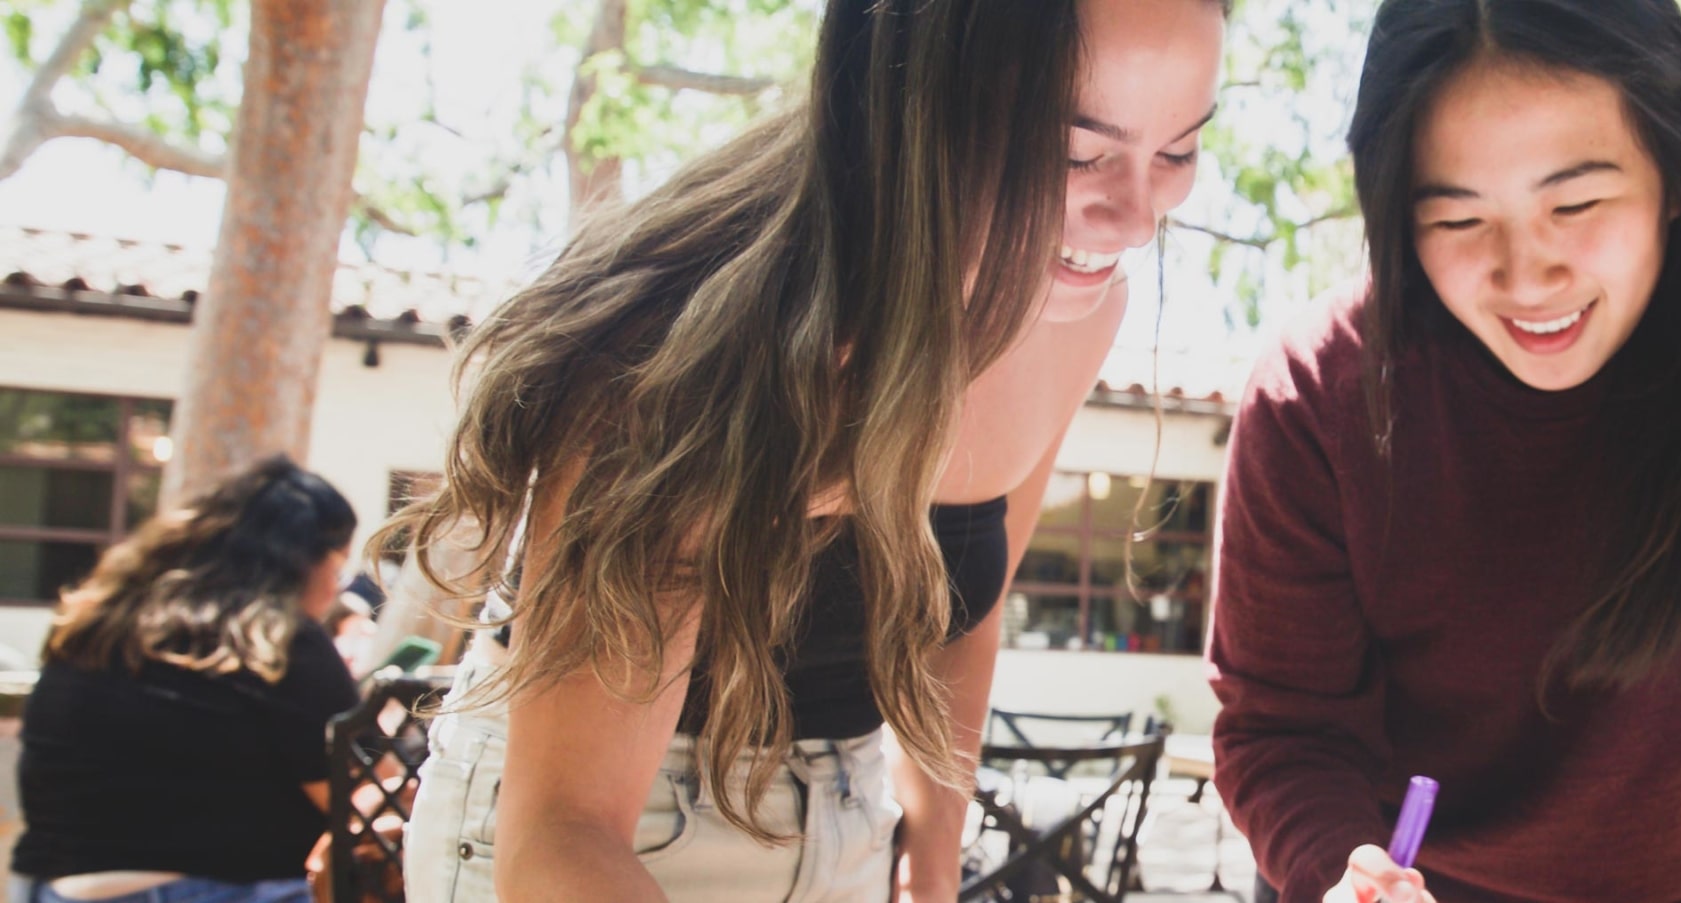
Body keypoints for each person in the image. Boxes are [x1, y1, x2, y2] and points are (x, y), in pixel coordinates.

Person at [382, 1, 1225, 900]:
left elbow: (963, 621)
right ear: (917, 105)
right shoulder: (680, 357)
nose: (1137, 217)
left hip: (847, 817)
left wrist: (934, 864)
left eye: (1177, 150)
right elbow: (562, 832)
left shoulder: (1080, 305)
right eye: (1075, 154)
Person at [1206, 1, 1681, 900]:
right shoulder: (1317, 390)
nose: (1527, 275)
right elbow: (1283, 728)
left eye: (1576, 202)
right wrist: (1338, 871)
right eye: (1457, 221)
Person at [12, 456, 363, 903]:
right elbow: (353, 797)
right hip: (210, 889)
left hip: (50, 887)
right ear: (303, 562)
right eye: (338, 568)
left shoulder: (99, 619)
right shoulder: (279, 637)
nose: (337, 590)